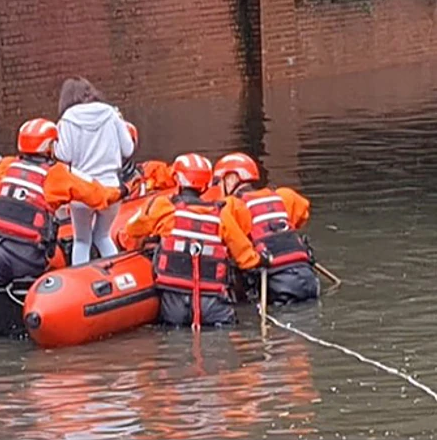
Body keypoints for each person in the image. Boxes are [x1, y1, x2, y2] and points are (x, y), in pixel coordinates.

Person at [0, 118, 129, 289]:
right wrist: (120, 191)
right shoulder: (55, 175)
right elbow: (96, 195)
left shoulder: (6, 166)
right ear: (49, 146)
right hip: (26, 256)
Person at [124, 153, 269, 327]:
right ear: (207, 184)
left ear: (178, 179)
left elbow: (131, 229)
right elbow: (244, 257)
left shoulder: (163, 208)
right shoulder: (221, 215)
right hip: (213, 302)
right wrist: (262, 259)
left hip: (174, 302)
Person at [211, 152, 320, 304]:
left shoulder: (230, 207)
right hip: (309, 278)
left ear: (230, 180)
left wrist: (254, 260)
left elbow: (240, 251)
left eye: (218, 182)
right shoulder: (283, 195)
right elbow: (303, 212)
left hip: (278, 284)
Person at [55, 77, 135, 265]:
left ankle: (81, 283)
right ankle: (115, 277)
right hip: (110, 189)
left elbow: (63, 154)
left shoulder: (67, 120)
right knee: (103, 237)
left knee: (82, 241)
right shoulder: (111, 113)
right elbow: (128, 149)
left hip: (82, 191)